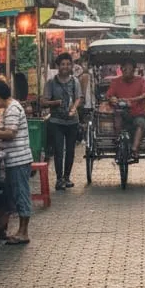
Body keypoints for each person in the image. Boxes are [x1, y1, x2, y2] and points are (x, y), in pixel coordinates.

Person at [0, 77, 34, 245]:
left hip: (18, 160)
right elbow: (6, 129)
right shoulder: (10, 107)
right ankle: (14, 230)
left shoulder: (11, 109)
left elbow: (10, 133)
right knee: (13, 195)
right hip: (15, 159)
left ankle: (23, 233)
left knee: (21, 194)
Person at [42, 52, 81, 191]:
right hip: (56, 121)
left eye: (68, 64)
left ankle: (67, 177)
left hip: (72, 121)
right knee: (59, 150)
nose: (65, 66)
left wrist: (74, 109)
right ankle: (59, 179)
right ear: (58, 66)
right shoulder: (51, 83)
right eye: (63, 64)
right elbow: (44, 102)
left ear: (71, 66)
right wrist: (55, 102)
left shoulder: (75, 81)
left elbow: (78, 98)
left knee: (70, 150)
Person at [108, 60, 145, 162]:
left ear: (134, 70)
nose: (127, 71)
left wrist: (132, 100)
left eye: (130, 69)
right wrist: (112, 98)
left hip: (137, 113)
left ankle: (134, 148)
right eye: (124, 69)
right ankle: (118, 142)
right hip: (121, 112)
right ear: (121, 69)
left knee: (141, 123)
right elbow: (110, 94)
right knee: (117, 119)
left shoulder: (141, 81)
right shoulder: (116, 81)